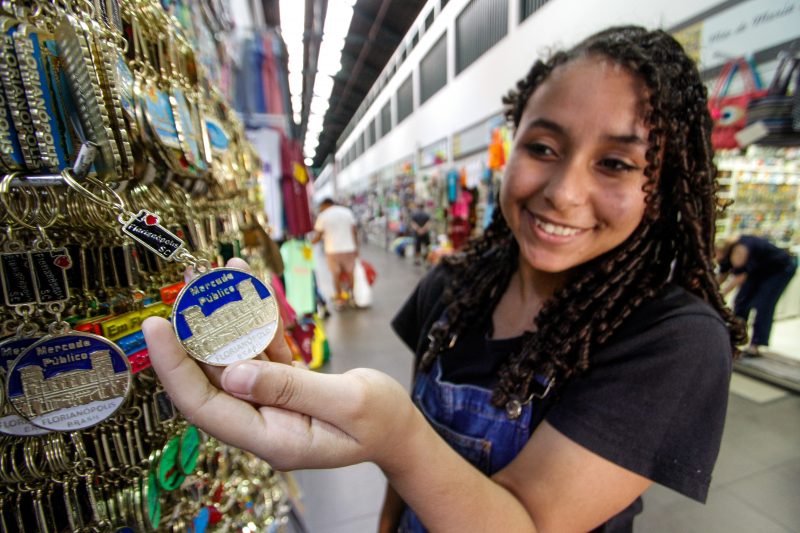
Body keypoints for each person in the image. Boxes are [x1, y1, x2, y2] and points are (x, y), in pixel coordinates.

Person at [142, 26, 745, 532]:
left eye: (615, 163)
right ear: (511, 145)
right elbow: (407, 468)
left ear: (663, 186)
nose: (564, 193)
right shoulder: (455, 284)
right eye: (542, 148)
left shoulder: (674, 340)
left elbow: (524, 523)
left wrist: (396, 437)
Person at [717, 235, 797, 355]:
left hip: (779, 270)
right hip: (758, 270)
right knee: (741, 301)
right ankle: (735, 338)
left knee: (764, 304)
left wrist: (719, 296)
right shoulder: (727, 255)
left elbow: (739, 277)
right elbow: (721, 276)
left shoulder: (740, 249)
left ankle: (757, 343)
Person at [310, 197, 359, 307]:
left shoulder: (323, 216)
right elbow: (354, 231)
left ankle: (340, 299)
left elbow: (318, 236)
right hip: (349, 248)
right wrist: (356, 248)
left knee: (336, 275)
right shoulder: (347, 212)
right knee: (350, 273)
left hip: (332, 250)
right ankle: (352, 297)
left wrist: (308, 244)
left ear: (325, 205)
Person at [409, 201, 432, 265]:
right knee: (427, 246)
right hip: (425, 233)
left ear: (418, 206)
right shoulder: (426, 214)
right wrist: (423, 229)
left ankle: (417, 260)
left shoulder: (414, 214)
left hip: (417, 233)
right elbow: (428, 223)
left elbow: (413, 223)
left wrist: (418, 229)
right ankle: (427, 259)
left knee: (417, 246)